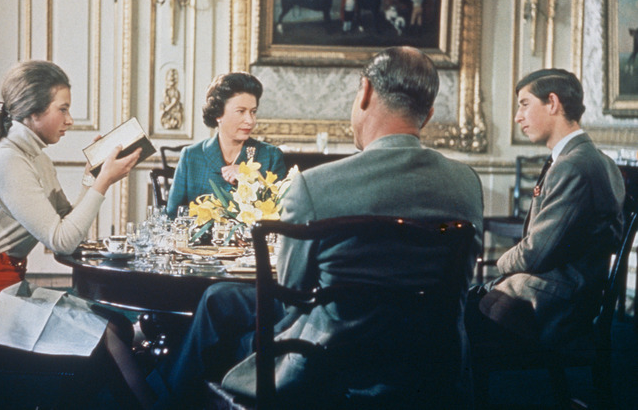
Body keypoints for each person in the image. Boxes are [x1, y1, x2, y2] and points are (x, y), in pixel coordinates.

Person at [154, 46, 484, 408]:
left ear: (366, 93)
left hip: (330, 364)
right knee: (222, 299)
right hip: (433, 365)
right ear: (429, 114)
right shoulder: (466, 184)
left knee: (222, 312)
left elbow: (291, 295)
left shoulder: (316, 185)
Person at [0, 60, 154, 409]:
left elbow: (65, 221)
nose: (70, 120)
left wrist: (93, 178)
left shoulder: (35, 158)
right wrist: (103, 183)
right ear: (32, 114)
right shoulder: (7, 160)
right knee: (103, 337)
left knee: (118, 325)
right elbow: (61, 240)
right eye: (62, 109)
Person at [466, 69, 625, 366]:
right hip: (567, 297)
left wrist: (493, 266)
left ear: (552, 103)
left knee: (442, 324)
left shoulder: (574, 165)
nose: (517, 117)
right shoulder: (598, 159)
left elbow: (535, 253)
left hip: (553, 308)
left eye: (524, 104)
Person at [164, 72, 287, 219]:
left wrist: (253, 178)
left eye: (253, 112)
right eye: (241, 111)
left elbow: (283, 215)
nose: (250, 120)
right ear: (218, 114)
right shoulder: (191, 156)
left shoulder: (270, 155)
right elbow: (172, 216)